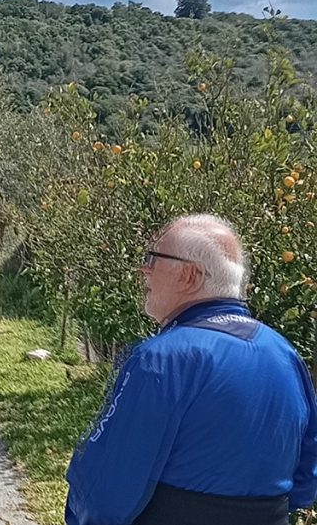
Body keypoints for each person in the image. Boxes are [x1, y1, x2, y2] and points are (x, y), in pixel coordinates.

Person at [66, 214, 317, 525]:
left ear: (189, 275)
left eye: (153, 258)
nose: (143, 270)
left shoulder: (160, 360)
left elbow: (104, 491)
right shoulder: (284, 353)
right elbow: (305, 482)